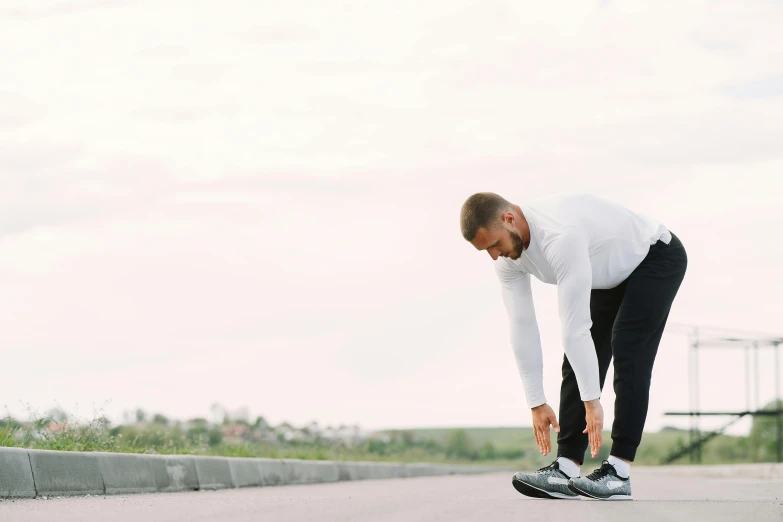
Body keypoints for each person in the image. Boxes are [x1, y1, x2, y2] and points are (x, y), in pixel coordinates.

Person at [459, 192, 687, 501]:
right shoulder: (506, 261)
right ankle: (565, 468)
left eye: (494, 245)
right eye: (485, 250)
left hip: (654, 255)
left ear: (508, 218)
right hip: (608, 272)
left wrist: (592, 400)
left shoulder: (560, 237)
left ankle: (618, 472)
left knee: (628, 347)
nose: (494, 256)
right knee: (576, 359)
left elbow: (574, 327)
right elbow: (522, 327)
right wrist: (536, 401)